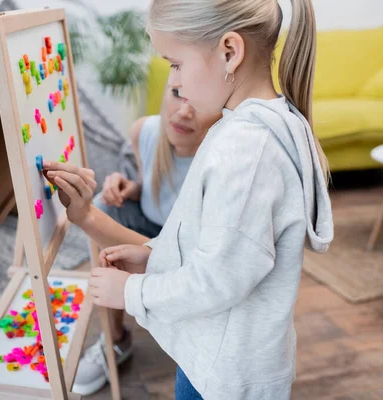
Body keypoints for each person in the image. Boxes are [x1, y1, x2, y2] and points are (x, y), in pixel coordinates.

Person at [69, 0, 335, 399]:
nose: (176, 84)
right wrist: (154, 256)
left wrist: (129, 292)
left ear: (230, 52)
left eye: (176, 64)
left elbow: (218, 280)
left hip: (225, 376)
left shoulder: (246, 151)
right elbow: (224, 248)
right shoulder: (250, 132)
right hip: (217, 358)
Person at [44, 83, 218, 396]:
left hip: (189, 251)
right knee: (107, 205)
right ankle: (115, 339)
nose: (183, 110)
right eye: (177, 92)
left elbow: (186, 254)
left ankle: (182, 334)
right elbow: (162, 190)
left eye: (199, 99)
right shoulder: (145, 132)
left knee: (97, 214)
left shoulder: (218, 163)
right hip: (156, 228)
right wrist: (133, 188)